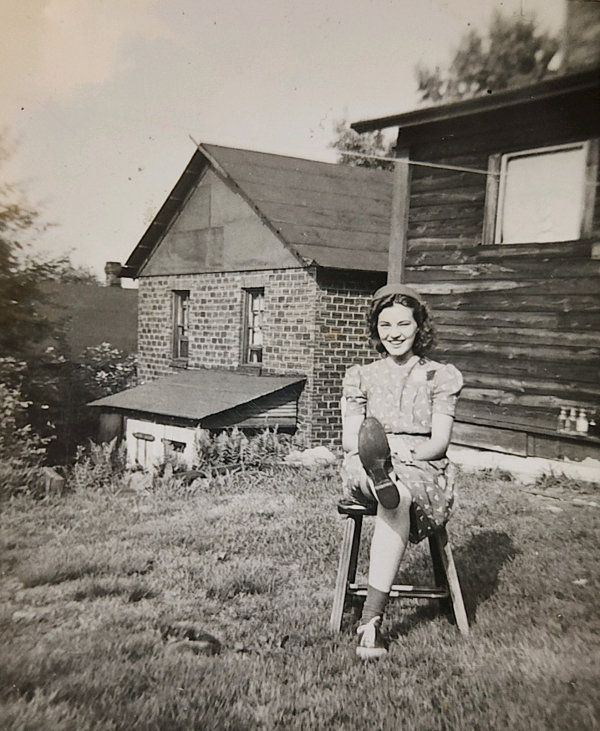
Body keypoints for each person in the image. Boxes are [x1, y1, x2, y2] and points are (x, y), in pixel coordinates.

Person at [340, 283, 463, 660]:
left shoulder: (439, 376)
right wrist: (382, 450)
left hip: (420, 462)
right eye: (385, 324)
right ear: (375, 328)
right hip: (367, 456)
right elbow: (349, 439)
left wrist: (408, 453)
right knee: (382, 478)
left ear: (419, 326)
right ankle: (371, 623)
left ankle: (370, 621)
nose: (394, 333)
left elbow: (438, 442)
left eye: (403, 324)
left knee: (399, 496)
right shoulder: (361, 375)